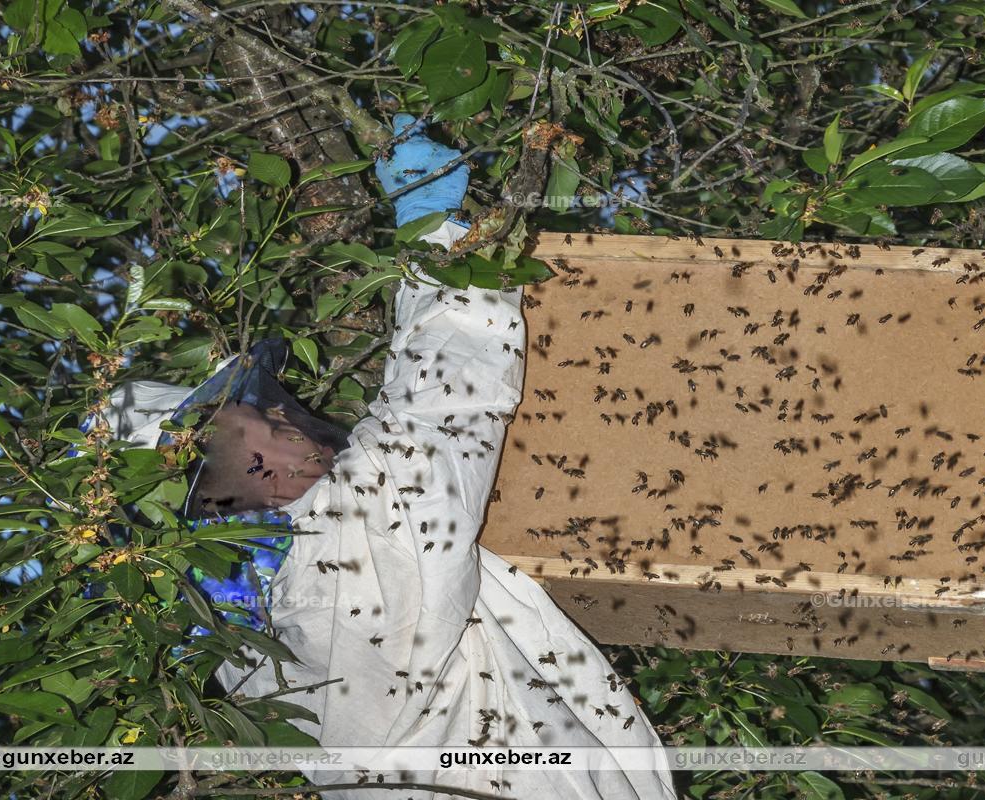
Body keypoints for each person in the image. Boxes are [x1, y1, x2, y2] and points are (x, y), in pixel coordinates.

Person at [106, 115, 677, 799]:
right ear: (215, 487)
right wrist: (436, 231)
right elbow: (443, 403)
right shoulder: (339, 568)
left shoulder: (254, 652)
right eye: (250, 418)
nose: (281, 412)